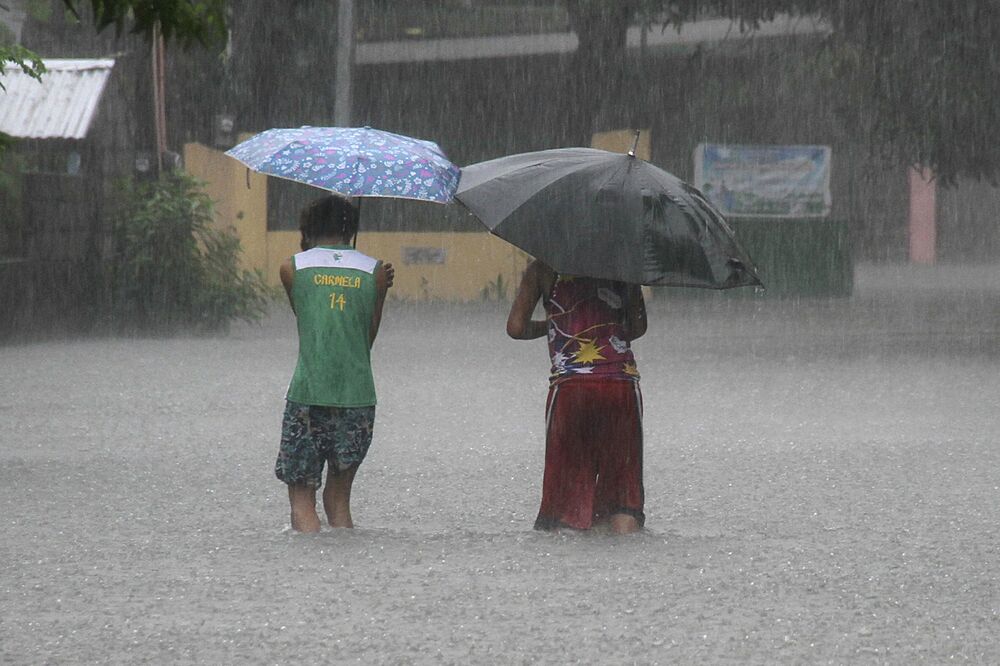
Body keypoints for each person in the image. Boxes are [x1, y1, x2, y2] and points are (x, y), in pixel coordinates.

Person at [275, 194, 394, 532]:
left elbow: (311, 325)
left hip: (309, 394)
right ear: (350, 228)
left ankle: (311, 577)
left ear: (308, 228)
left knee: (302, 498)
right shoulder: (375, 271)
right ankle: (344, 573)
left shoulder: (292, 268)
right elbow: (364, 340)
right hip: (357, 398)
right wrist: (379, 291)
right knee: (338, 500)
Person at [506, 259, 647, 534]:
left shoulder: (543, 269)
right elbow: (638, 328)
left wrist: (553, 326)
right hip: (620, 386)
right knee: (623, 492)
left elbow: (516, 327)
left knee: (564, 500)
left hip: (572, 389)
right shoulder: (624, 264)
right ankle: (627, 567)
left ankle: (565, 569)